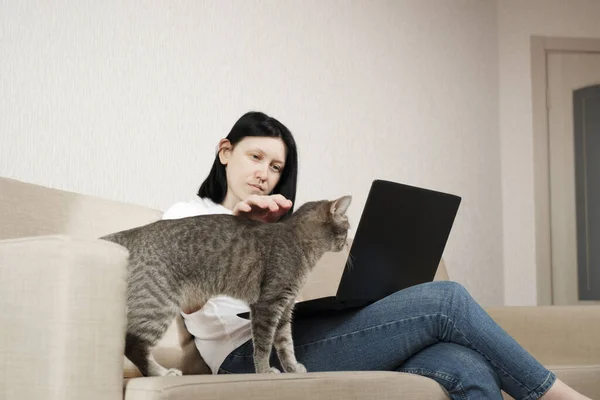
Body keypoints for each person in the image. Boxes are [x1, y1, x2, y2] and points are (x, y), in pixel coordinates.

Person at [162, 111, 590, 400]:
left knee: (463, 362)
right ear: (225, 152)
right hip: (246, 360)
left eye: (275, 167)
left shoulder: (276, 225)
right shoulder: (185, 215)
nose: (265, 173)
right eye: (256, 156)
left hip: (297, 337)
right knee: (447, 300)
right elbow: (187, 300)